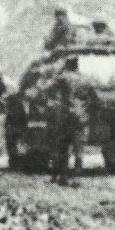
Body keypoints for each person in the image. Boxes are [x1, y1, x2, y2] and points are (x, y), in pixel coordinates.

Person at [47, 56, 97, 185]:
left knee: (63, 146)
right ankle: (76, 178)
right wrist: (87, 112)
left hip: (66, 116)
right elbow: (95, 100)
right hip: (81, 117)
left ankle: (63, 177)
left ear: (67, 65)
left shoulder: (63, 77)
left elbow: (48, 88)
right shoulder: (86, 79)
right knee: (79, 149)